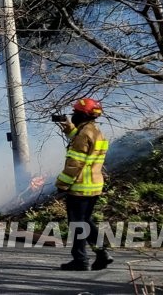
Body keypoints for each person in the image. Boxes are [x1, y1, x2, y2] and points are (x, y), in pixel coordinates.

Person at [55, 97, 112, 271]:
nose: (73, 116)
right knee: (85, 221)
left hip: (80, 186)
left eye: (76, 113)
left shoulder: (84, 134)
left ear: (82, 115)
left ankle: (81, 260)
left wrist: (62, 184)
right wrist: (71, 130)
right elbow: (87, 145)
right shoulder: (96, 132)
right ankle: (102, 253)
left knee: (77, 224)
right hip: (94, 186)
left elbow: (75, 163)